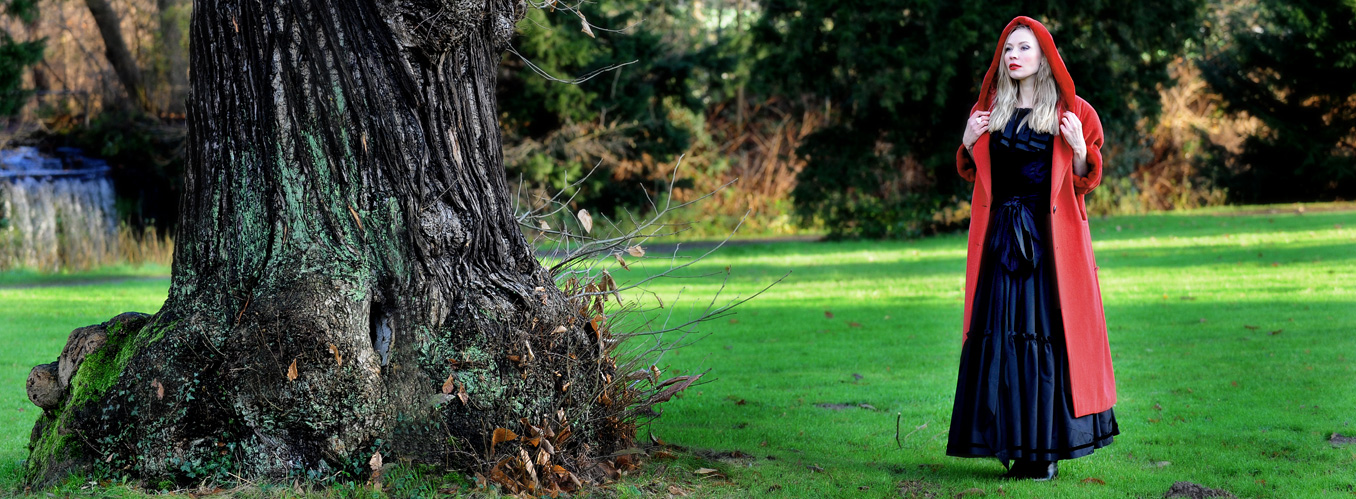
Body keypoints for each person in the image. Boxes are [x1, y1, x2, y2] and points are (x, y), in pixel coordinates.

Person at [946, 16, 1119, 481]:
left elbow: (1085, 179)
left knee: (1046, 340)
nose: (1014, 56)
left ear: (1044, 55)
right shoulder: (991, 109)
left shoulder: (1073, 111)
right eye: (1007, 49)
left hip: (1049, 246)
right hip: (1000, 242)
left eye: (1024, 48)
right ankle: (1010, 444)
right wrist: (966, 142)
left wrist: (1080, 148)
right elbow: (976, 171)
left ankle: (1042, 454)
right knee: (1000, 340)